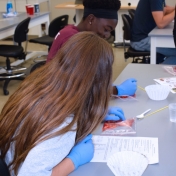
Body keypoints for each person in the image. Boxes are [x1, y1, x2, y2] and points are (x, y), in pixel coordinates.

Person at [0, 32, 126, 176]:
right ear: (99, 83)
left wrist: (93, 112)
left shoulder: (37, 84)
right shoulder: (64, 124)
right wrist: (73, 161)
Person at [47, 0, 137, 96]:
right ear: (91, 19)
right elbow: (79, 89)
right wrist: (116, 90)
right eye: (106, 29)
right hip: (58, 98)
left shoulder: (72, 32)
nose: (107, 35)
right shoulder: (73, 40)